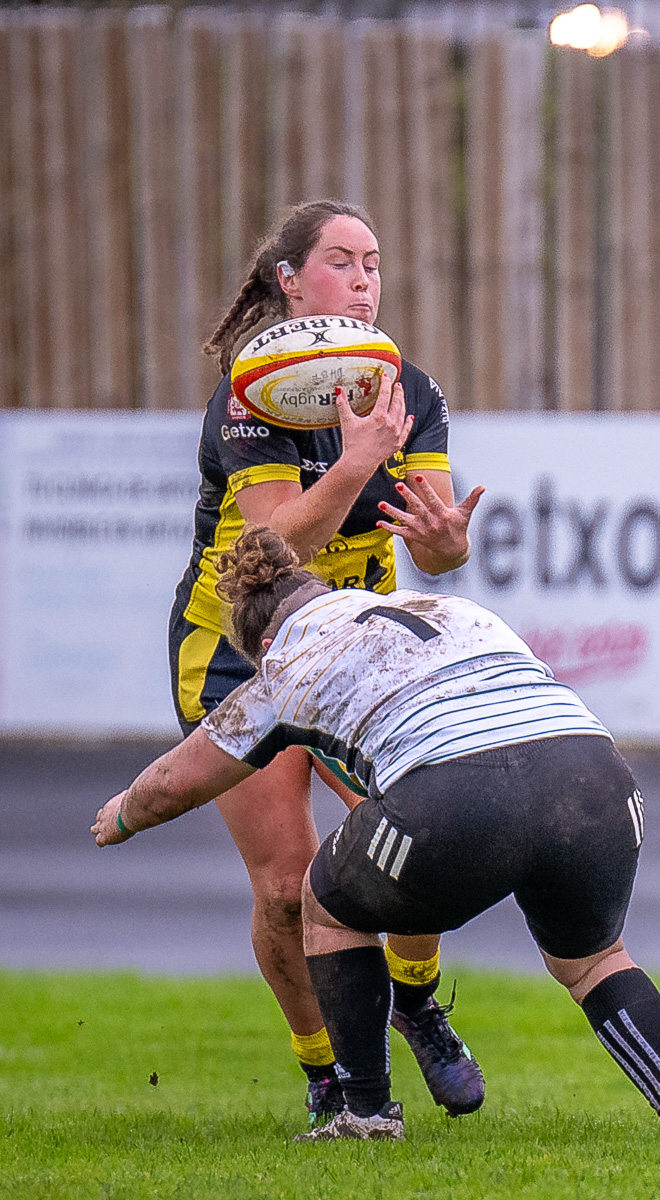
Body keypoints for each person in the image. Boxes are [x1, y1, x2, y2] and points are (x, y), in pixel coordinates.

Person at [100, 528, 660, 1145]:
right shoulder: (448, 606)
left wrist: (124, 813)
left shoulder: (287, 661)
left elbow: (180, 780)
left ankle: (367, 1115)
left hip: (458, 793)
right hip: (595, 779)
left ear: (265, 640)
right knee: (595, 961)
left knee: (325, 903)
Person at [170, 199, 485, 1124]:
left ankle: (417, 1003)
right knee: (285, 888)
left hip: (358, 650)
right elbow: (272, 546)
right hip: (240, 650)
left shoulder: (406, 388)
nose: (364, 280)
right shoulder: (248, 393)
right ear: (290, 281)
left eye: (375, 263)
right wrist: (355, 464)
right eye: (342, 261)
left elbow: (433, 546)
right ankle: (326, 1079)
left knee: (419, 843)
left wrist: (446, 543)